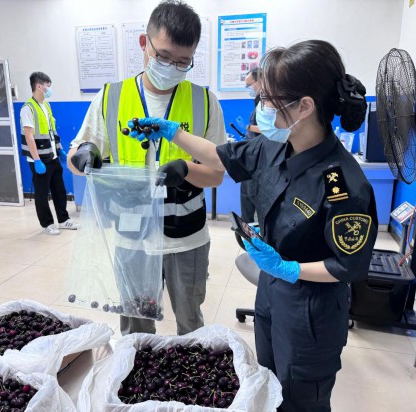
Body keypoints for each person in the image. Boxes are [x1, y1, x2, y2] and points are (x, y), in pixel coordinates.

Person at [128, 40, 378, 411]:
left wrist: (289, 268)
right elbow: (220, 156)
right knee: (270, 384)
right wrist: (171, 132)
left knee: (301, 399)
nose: (261, 107)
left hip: (311, 312)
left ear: (305, 106)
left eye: (268, 100)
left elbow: (349, 266)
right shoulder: (275, 146)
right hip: (271, 294)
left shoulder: (344, 186)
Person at [67, 0, 227, 336]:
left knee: (190, 324)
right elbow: (76, 157)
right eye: (164, 56)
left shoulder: (204, 101)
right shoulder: (111, 97)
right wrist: (84, 155)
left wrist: (186, 169)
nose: (172, 67)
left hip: (187, 238)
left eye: (183, 61)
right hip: (132, 237)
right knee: (136, 327)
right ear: (144, 43)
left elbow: (216, 173)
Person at [20, 71, 79, 235]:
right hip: (39, 160)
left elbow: (52, 131)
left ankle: (63, 219)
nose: (49, 89)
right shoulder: (28, 109)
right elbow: (29, 137)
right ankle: (47, 224)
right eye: (48, 86)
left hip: (52, 156)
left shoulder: (46, 106)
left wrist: (59, 149)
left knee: (59, 190)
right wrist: (37, 160)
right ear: (39, 86)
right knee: (42, 193)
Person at [241, 67, 262, 222]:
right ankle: (246, 227)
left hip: (258, 159)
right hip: (251, 155)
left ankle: (250, 227)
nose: (248, 88)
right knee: (246, 195)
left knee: (251, 196)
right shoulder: (258, 102)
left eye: (249, 85)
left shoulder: (267, 104)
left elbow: (270, 129)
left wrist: (248, 127)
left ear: (260, 81)